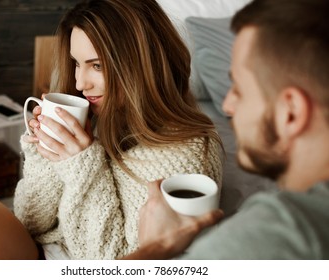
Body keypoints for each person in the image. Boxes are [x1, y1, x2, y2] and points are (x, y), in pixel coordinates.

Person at [0, 0, 222, 260]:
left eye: (96, 65)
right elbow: (30, 221)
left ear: (140, 65)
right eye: (76, 63)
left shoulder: (184, 152)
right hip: (49, 249)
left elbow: (111, 263)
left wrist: (81, 164)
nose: (79, 84)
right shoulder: (97, 115)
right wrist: (47, 152)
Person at [124, 0, 329, 260]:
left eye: (239, 90)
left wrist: (154, 249)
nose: (227, 105)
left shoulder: (272, 236)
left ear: (291, 113)